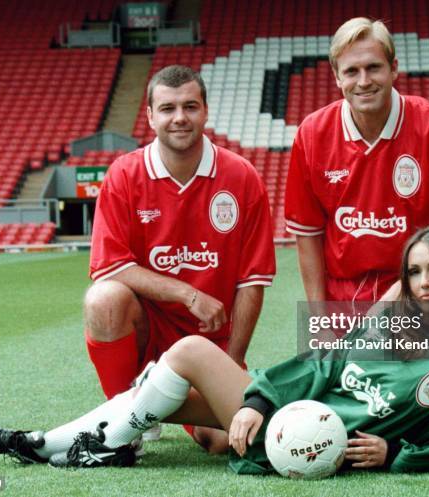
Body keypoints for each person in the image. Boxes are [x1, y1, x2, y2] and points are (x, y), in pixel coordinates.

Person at [0, 226, 429, 473]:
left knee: (192, 352)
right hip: (288, 413)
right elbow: (324, 362)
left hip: (307, 439)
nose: (424, 282)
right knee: (163, 396)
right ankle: (47, 445)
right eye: (413, 271)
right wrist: (259, 399)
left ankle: (58, 445)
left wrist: (394, 454)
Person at [84, 65, 276, 452]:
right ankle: (126, 418)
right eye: (168, 108)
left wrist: (233, 363)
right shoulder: (124, 174)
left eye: (190, 106)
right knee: (103, 299)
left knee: (226, 442)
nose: (180, 118)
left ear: (205, 111)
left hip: (209, 342)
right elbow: (110, 265)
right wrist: (188, 294)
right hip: (149, 329)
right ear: (151, 116)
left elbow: (252, 281)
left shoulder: (241, 177)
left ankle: (148, 403)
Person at [284, 18, 429, 318]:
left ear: (394, 69)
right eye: (351, 71)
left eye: (373, 67)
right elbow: (307, 235)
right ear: (337, 77)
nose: (363, 81)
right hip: (346, 297)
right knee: (351, 358)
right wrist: (318, 319)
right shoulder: (312, 134)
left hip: (418, 289)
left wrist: (397, 295)